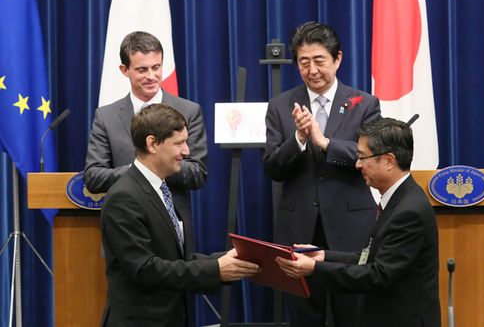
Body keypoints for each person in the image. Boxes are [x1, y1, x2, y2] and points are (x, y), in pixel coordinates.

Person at [264, 21, 381, 326]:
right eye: (304, 63)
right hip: (299, 228)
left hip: (350, 227)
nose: (312, 70)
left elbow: (368, 158)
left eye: (319, 61)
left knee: (353, 314)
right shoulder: (280, 105)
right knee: (304, 315)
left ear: (337, 59)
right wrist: (300, 140)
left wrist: (324, 141)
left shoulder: (364, 104)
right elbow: (273, 168)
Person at [100, 103, 259, 327]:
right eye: (179, 143)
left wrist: (226, 259)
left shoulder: (160, 189)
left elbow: (172, 260)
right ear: (152, 143)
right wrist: (215, 269)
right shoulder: (124, 198)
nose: (187, 151)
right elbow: (145, 269)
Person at [276, 117, 441, 327]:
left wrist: (314, 269)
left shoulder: (409, 211)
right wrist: (323, 256)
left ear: (389, 161)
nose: (357, 164)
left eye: (363, 157)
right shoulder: (398, 199)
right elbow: (369, 257)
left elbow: (378, 275)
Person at [84, 31, 207, 237]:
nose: (151, 76)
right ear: (125, 70)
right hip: (124, 226)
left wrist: (157, 167)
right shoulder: (107, 116)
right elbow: (93, 177)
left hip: (173, 226)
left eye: (156, 67)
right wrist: (139, 172)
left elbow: (197, 174)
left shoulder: (188, 111)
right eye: (142, 70)